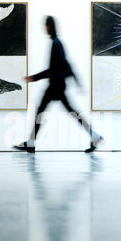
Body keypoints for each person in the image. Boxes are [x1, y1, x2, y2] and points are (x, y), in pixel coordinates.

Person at [13, 16, 103, 153]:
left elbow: (56, 68)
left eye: (46, 25)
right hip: (58, 85)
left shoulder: (56, 44)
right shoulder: (56, 43)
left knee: (42, 112)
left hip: (56, 86)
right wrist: (77, 81)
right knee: (67, 112)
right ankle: (94, 136)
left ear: (49, 27)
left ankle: (31, 143)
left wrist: (34, 77)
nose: (44, 28)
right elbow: (66, 65)